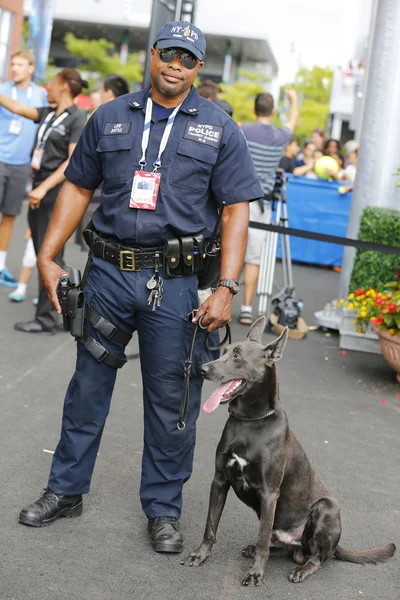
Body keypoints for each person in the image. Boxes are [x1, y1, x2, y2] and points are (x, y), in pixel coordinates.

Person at [18, 21, 263, 555]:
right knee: (86, 387)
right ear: (153, 55)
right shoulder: (109, 117)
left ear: (199, 68)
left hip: (174, 285)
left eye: (188, 58)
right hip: (106, 274)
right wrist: (47, 254)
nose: (176, 64)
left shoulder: (219, 128)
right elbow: (79, 186)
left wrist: (225, 286)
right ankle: (65, 490)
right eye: (168, 52)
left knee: (172, 397)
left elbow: (235, 211)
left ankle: (163, 509)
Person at [0, 68, 87, 333]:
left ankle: (50, 318)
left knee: (51, 256)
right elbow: (16, 107)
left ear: (63, 85)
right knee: (43, 254)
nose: (48, 86)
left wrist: (43, 188)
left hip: (55, 195)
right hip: (38, 192)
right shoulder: (49, 113)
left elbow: (72, 161)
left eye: (52, 82)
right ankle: (55, 314)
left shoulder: (76, 119)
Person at [238, 90, 298, 326]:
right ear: (273, 112)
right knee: (253, 257)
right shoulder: (280, 136)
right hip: (262, 204)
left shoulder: (243, 131)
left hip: (238, 200)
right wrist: (294, 101)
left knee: (227, 251)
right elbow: (292, 121)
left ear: (255, 110)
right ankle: (246, 308)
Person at [0, 50, 47, 287]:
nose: (15, 68)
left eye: (20, 64)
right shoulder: (3, 90)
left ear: (31, 68)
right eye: (13, 64)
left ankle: (0, 266)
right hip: (0, 158)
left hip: (22, 165)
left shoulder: (40, 94)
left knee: (9, 215)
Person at [75, 74, 131, 251]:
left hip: (98, 189)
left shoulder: (101, 114)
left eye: (101, 91)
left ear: (108, 91)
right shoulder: (135, 115)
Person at [8, 226, 37, 303]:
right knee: (29, 259)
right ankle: (20, 289)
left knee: (48, 262)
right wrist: (30, 227)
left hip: (55, 231)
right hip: (38, 227)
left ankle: (46, 295)